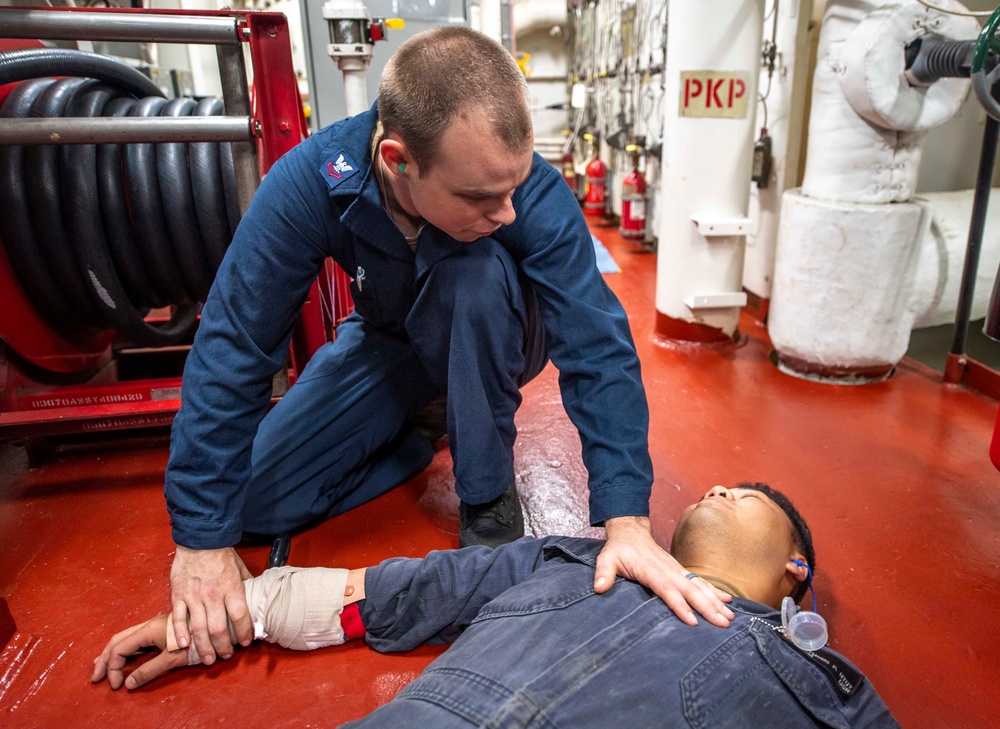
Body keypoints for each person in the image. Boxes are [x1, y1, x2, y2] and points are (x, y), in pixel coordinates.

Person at [164, 25, 733, 670]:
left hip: (497, 332)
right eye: (482, 197)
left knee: (475, 272)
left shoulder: (524, 192)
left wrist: (625, 516)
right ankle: (416, 431)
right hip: (391, 342)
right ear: (398, 160)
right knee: (251, 507)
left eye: (513, 188)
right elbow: (234, 341)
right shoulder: (311, 182)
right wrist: (201, 541)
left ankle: (485, 491)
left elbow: (598, 344)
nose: (510, 211)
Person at [94, 482, 899, 728]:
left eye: (751, 494)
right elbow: (382, 593)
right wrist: (225, 613)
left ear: (796, 564)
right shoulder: (568, 557)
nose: (723, 484)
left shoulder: (819, 680)